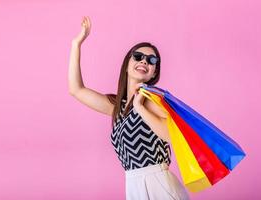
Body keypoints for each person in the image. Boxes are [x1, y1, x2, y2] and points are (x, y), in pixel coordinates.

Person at [68, 16, 190, 200]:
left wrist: (139, 107)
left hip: (157, 182)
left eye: (151, 60)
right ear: (127, 65)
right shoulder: (118, 107)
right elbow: (76, 90)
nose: (144, 62)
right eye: (138, 57)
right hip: (133, 183)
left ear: (154, 73)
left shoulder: (152, 99)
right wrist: (76, 44)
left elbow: (171, 134)